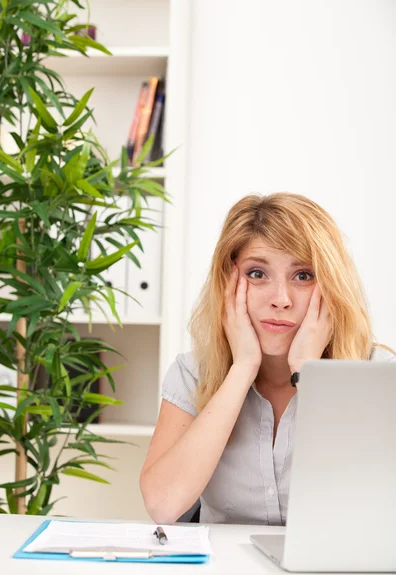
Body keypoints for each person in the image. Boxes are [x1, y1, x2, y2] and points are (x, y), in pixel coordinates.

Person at [139, 192, 395, 526]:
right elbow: (163, 505)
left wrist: (308, 373)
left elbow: (371, 511)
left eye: (303, 275)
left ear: (331, 285)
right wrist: (242, 369)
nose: (281, 300)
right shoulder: (192, 373)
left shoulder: (378, 374)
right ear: (227, 281)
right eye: (257, 274)